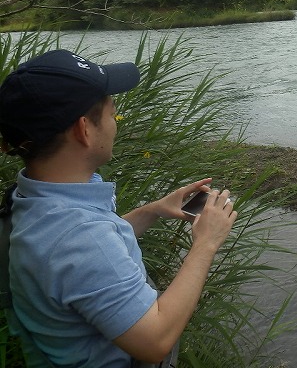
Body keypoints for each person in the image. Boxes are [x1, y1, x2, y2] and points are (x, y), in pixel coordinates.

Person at [0, 49, 237, 367]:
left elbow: (78, 259)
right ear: (84, 130)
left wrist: (152, 210)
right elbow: (155, 341)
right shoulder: (80, 237)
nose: (115, 124)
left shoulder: (32, 200)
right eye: (112, 114)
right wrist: (206, 244)